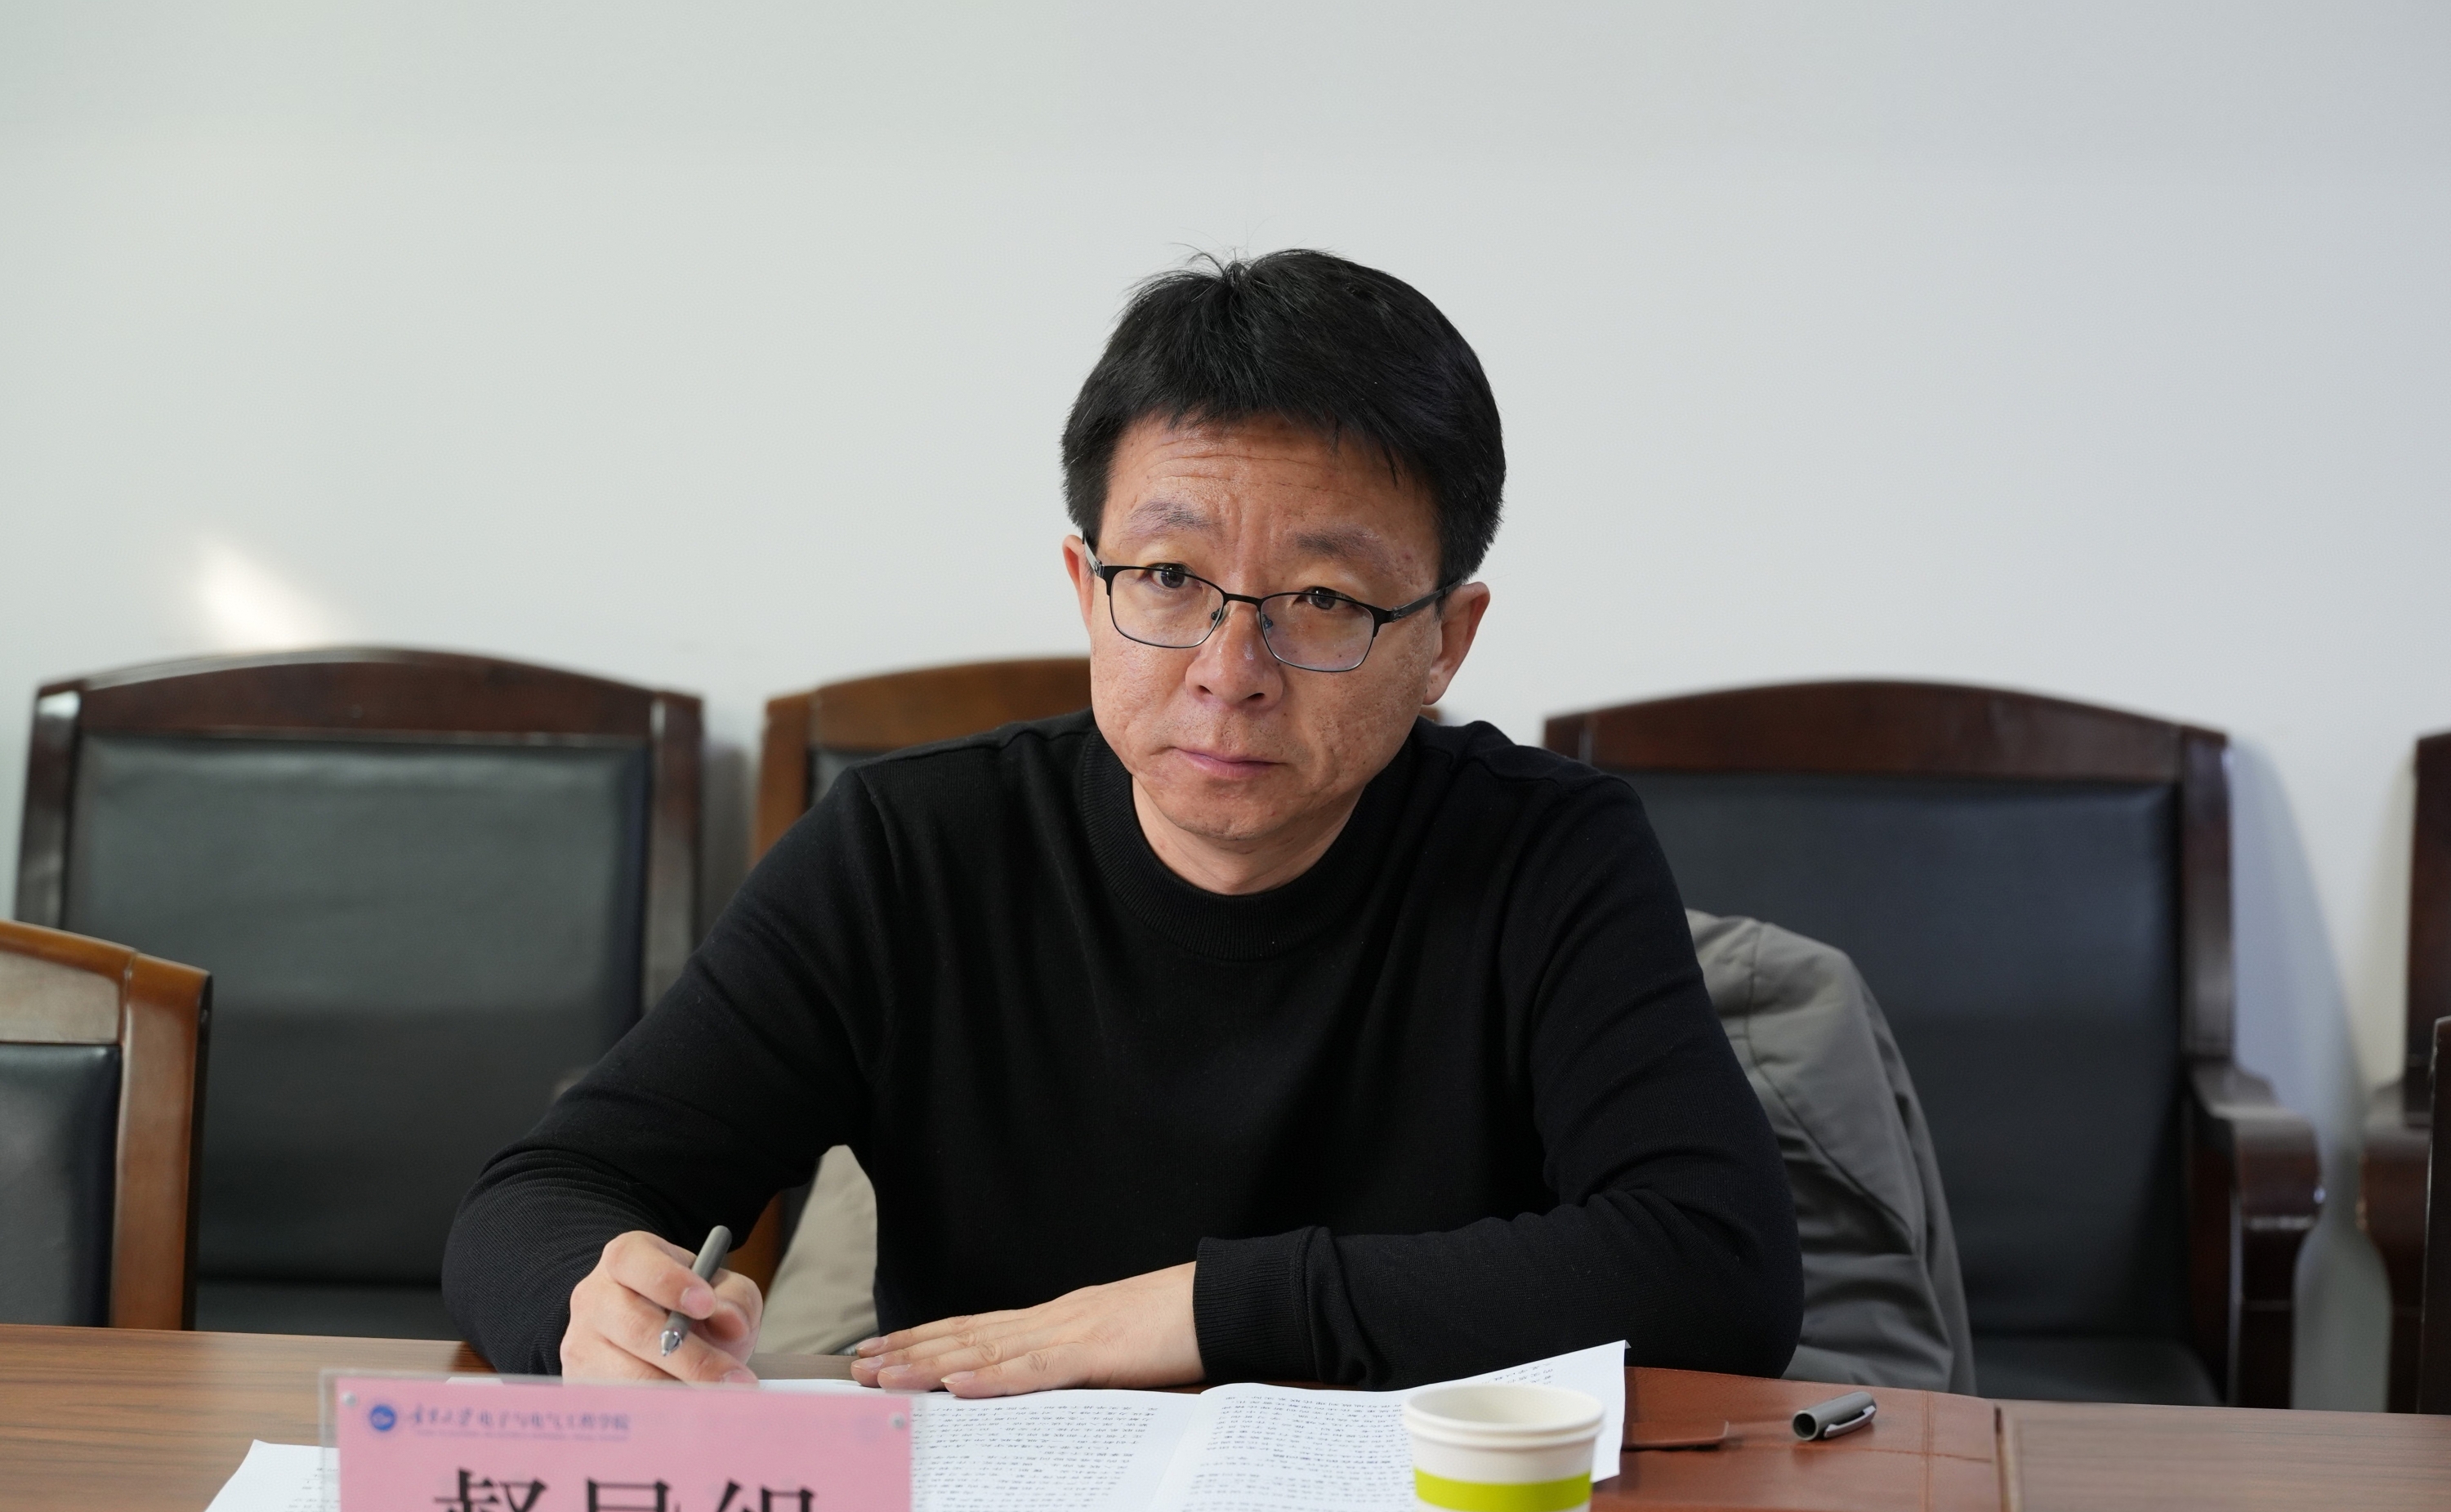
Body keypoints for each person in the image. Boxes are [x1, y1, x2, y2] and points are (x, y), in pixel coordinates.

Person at [444, 249, 1801, 1394]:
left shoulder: (1548, 855)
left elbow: (1718, 1266)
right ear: (1086, 587)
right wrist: (592, 1303)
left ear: (1446, 640)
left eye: (1324, 599)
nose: (1230, 668)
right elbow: (543, 1193)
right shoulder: (911, 853)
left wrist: (1200, 1311)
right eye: (1168, 577)